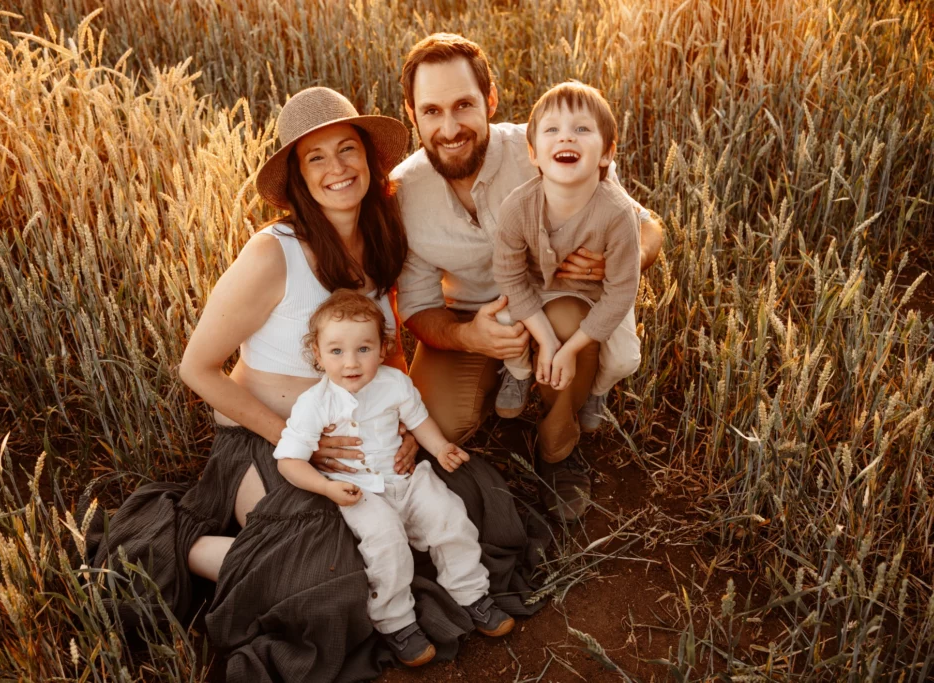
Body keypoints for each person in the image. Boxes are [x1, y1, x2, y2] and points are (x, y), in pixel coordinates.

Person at [81, 87, 546, 682]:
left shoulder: (380, 241)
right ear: (299, 177)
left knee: (468, 501)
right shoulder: (272, 254)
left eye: (346, 150)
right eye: (316, 158)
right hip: (269, 444)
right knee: (333, 579)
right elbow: (196, 369)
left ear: (369, 159)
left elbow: (390, 349)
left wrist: (403, 422)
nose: (337, 169)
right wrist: (294, 441)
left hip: (363, 436)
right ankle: (182, 546)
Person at [392, 33, 664, 522]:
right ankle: (504, 377)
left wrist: (622, 261)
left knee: (563, 324)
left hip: (555, 300)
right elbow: (414, 305)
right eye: (431, 111)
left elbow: (646, 226)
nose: (449, 127)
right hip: (471, 315)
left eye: (464, 105)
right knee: (439, 426)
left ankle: (559, 449)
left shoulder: (545, 147)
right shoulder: (403, 192)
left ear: (490, 100)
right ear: (412, 114)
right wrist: (467, 336)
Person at [273, 289, 515, 667]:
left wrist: (438, 449)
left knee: (450, 517)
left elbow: (418, 420)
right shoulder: (314, 404)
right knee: (385, 542)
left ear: (383, 349)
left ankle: (472, 593)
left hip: (406, 478)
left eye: (363, 349)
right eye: (336, 351)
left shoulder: (394, 383)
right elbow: (289, 460)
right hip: (358, 490)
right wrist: (326, 487)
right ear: (317, 355)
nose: (351, 362)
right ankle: (396, 620)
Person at [493, 82, 640, 403]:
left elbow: (621, 292)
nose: (566, 136)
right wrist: (547, 340)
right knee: (503, 322)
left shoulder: (617, 213)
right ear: (533, 154)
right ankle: (518, 372)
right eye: (552, 129)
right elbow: (511, 277)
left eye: (582, 128)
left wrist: (571, 349)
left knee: (625, 358)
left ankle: (596, 391)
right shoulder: (517, 208)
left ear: (606, 154)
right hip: (537, 287)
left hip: (598, 293)